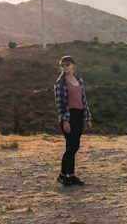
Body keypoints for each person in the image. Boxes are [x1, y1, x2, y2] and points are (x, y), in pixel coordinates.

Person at [53, 55, 92, 186]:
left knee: (72, 146)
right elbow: (60, 105)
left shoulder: (79, 80)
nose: (64, 67)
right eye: (62, 65)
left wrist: (87, 118)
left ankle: (71, 175)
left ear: (73, 66)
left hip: (79, 115)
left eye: (67, 64)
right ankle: (62, 175)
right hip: (68, 116)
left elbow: (84, 101)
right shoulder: (60, 83)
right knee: (73, 146)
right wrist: (65, 121)